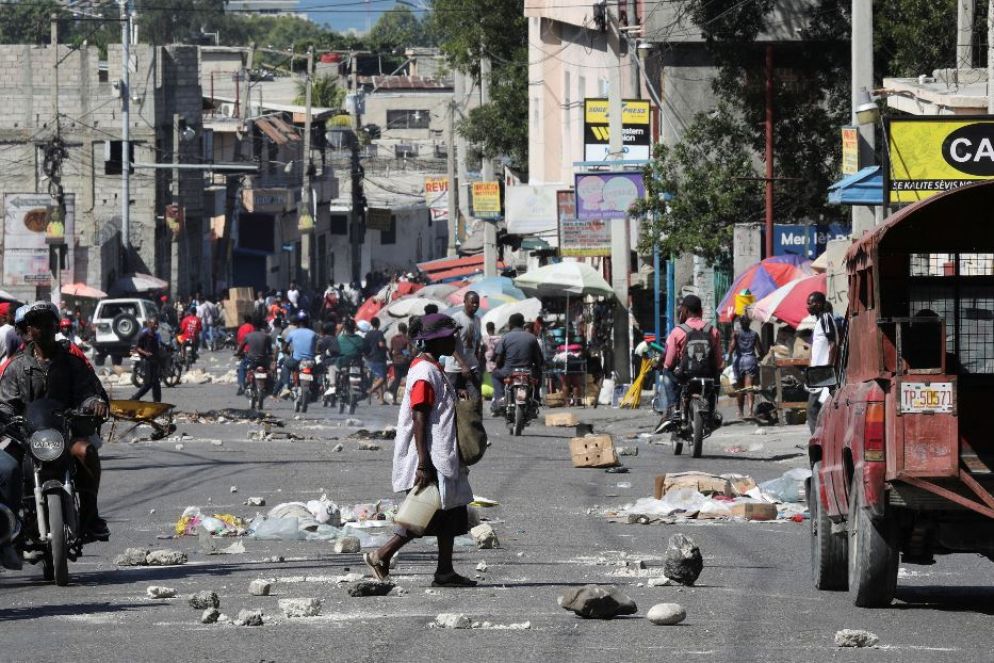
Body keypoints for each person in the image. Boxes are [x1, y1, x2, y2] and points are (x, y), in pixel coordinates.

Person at [363, 313, 476, 588]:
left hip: (441, 453)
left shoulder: (434, 368)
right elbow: (419, 418)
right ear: (433, 341)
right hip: (430, 455)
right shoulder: (425, 372)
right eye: (449, 337)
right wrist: (424, 463)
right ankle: (381, 555)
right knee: (425, 513)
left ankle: (445, 571)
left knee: (450, 512)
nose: (453, 341)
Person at [0, 301, 110, 543]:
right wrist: (5, 419)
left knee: (87, 452)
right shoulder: (16, 367)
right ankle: (10, 523)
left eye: (48, 323)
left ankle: (91, 516)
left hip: (66, 434)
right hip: (26, 438)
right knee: (7, 466)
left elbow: (88, 392)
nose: (44, 329)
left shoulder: (73, 363)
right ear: (28, 331)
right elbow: (6, 404)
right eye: (37, 324)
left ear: (56, 326)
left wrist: (94, 403)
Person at [656, 295, 723, 433]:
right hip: (708, 375)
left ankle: (674, 408)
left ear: (685, 311)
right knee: (716, 380)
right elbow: (719, 362)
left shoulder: (677, 332)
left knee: (667, 371)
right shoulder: (713, 330)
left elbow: (669, 362)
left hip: (686, 374)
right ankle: (712, 412)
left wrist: (666, 366)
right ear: (701, 311)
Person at [491, 313, 544, 415]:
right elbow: (538, 360)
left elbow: (498, 359)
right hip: (528, 372)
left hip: (509, 371)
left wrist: (499, 366)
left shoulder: (505, 338)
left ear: (510, 325)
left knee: (495, 375)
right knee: (539, 375)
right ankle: (536, 398)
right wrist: (537, 369)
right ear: (523, 324)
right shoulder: (532, 338)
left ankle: (500, 398)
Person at [807, 292, 839, 434]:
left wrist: (828, 368)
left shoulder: (826, 317)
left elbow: (833, 343)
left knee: (812, 409)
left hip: (823, 373)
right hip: (817, 372)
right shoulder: (820, 320)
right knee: (818, 409)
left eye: (810, 303)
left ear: (819, 304)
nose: (808, 306)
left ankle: (817, 440)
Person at [444, 291, 482, 399]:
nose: (475, 305)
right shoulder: (456, 319)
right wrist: (463, 365)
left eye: (477, 303)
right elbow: (449, 344)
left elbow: (476, 341)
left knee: (475, 400)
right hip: (454, 368)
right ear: (465, 302)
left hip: (472, 367)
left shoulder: (477, 320)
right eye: (472, 302)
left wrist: (477, 358)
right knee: (451, 401)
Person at [728, 315, 764, 420]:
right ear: (750, 323)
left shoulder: (736, 334)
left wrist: (728, 355)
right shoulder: (754, 334)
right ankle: (751, 411)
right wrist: (760, 357)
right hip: (750, 361)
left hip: (739, 362)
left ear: (740, 323)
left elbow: (731, 347)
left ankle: (740, 412)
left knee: (740, 388)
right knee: (749, 387)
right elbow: (760, 350)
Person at [130, 316, 163, 403]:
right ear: (149, 324)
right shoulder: (144, 335)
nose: (156, 326)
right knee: (147, 384)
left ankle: (157, 402)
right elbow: (138, 347)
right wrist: (145, 353)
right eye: (154, 324)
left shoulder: (156, 335)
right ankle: (134, 399)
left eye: (157, 324)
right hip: (147, 362)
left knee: (156, 384)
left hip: (155, 361)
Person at [283, 312, 317, 394]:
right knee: (318, 371)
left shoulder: (292, 333)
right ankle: (317, 389)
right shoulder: (313, 334)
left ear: (297, 323)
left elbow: (284, 348)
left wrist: (287, 352)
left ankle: (286, 386)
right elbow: (317, 347)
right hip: (310, 362)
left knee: (286, 365)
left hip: (296, 361)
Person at [363, 317, 389, 404]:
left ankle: (381, 399)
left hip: (369, 358)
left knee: (378, 377)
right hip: (378, 357)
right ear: (378, 323)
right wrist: (387, 348)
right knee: (383, 378)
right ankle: (370, 391)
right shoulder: (379, 333)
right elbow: (381, 344)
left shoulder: (368, 334)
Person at [388, 322, 411, 405]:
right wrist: (408, 357)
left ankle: (394, 399)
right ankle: (409, 399)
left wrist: (392, 358)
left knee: (397, 379)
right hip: (404, 362)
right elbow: (407, 351)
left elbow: (390, 351)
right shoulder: (406, 339)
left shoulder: (393, 338)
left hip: (396, 361)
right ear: (405, 329)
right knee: (409, 378)